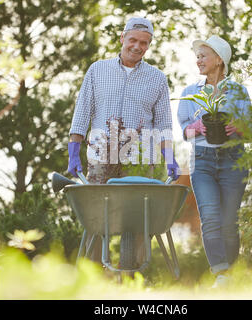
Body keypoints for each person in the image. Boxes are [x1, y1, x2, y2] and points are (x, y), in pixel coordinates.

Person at [67, 17, 180, 266]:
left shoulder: (157, 78)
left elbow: (163, 125)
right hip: (101, 152)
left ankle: (133, 276)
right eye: (133, 40)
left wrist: (170, 158)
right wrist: (73, 151)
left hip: (140, 156)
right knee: (97, 218)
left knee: (139, 219)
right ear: (122, 38)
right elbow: (82, 113)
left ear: (149, 45)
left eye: (144, 42)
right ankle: (95, 275)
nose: (137, 46)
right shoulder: (98, 70)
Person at [177, 35, 251, 287]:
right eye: (197, 56)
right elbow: (184, 131)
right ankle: (221, 273)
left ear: (219, 60)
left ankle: (232, 272)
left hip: (233, 158)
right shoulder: (190, 93)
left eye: (203, 55)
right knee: (209, 216)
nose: (198, 60)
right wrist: (196, 127)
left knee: (230, 219)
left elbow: (249, 128)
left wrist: (237, 127)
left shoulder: (238, 91)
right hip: (203, 161)